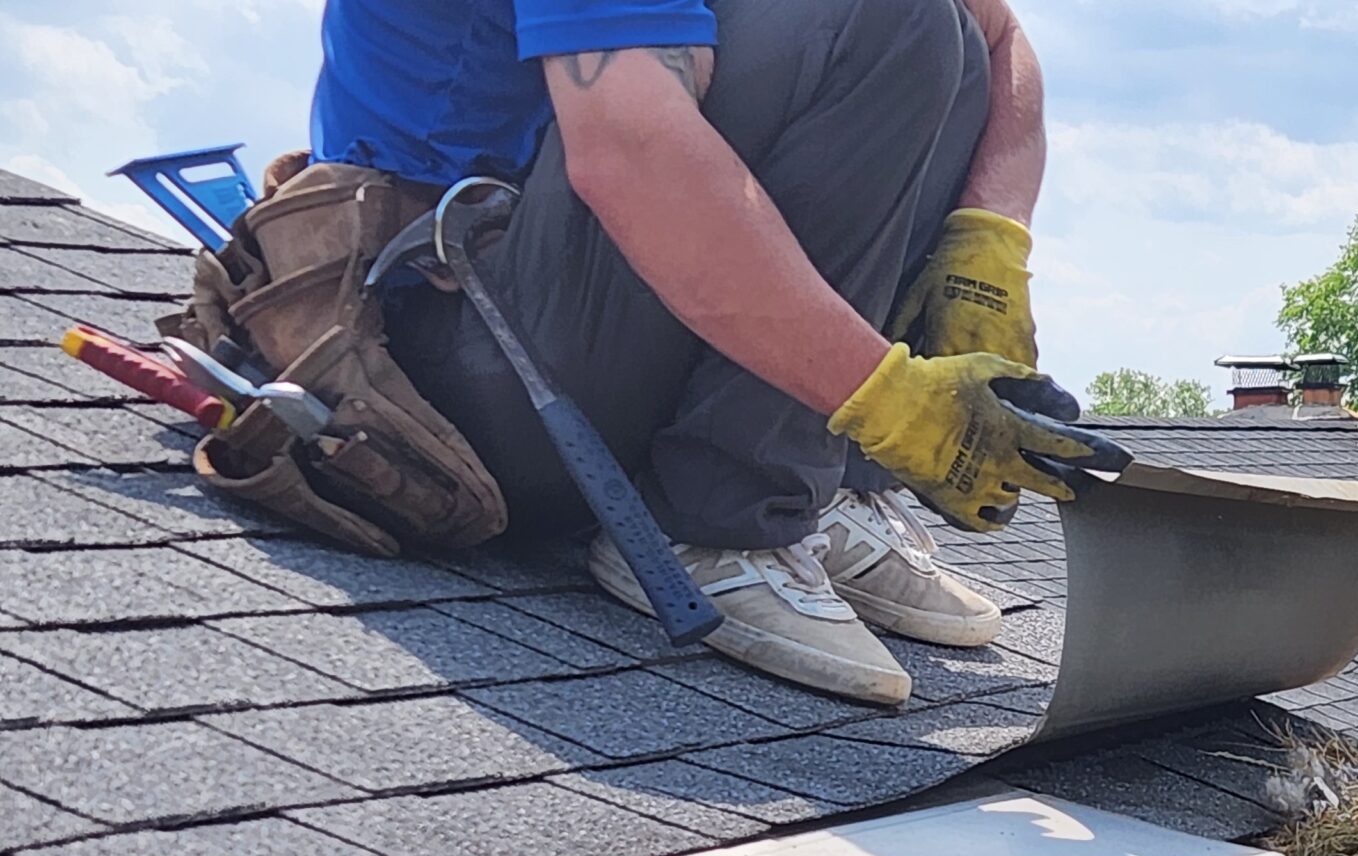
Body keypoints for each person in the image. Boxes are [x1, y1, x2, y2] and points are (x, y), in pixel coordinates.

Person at [308, 0, 1094, 705]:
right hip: (454, 383)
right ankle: (715, 519)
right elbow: (630, 154)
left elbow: (1000, 34)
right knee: (884, 19)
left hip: (565, 354)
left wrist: (989, 247)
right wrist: (893, 401)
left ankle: (823, 487)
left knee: (939, 24)